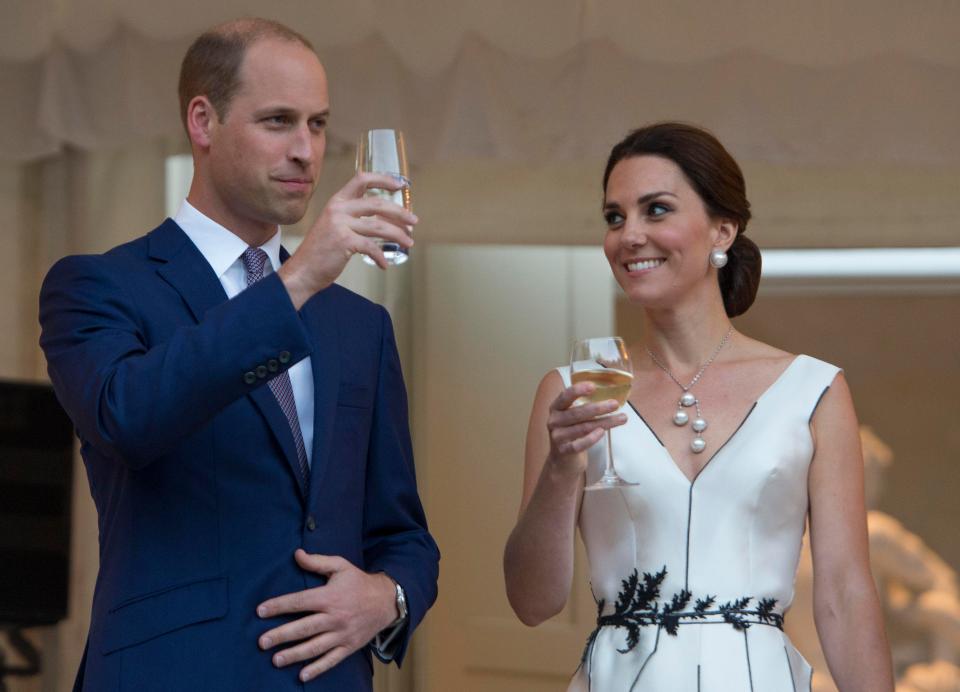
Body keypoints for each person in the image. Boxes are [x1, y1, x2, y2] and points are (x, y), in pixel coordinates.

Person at [39, 18, 439, 692]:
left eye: (317, 125)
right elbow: (127, 418)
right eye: (279, 121)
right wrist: (301, 277)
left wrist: (387, 597)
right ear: (203, 120)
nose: (306, 151)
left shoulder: (360, 324)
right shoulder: (100, 285)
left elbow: (403, 534)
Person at [503, 122, 893, 691]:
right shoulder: (572, 392)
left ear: (722, 230)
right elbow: (532, 602)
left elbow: (844, 596)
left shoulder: (815, 392)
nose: (629, 235)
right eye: (615, 217)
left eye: (655, 210)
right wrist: (563, 467)